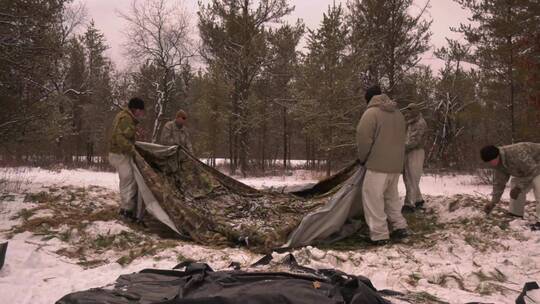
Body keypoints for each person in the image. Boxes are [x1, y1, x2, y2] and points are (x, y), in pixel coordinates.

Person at [356, 85, 408, 245]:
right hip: (395, 165)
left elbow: (363, 139)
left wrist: (363, 158)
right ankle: (400, 227)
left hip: (377, 165)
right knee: (391, 197)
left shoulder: (371, 113)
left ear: (369, 98)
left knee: (373, 199)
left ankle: (379, 235)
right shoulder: (398, 114)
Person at [481, 142, 540, 230]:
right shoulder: (498, 165)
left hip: (537, 167)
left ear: (497, 155)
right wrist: (493, 203)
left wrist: (519, 187)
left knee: (538, 184)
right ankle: (515, 214)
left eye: (492, 161)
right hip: (530, 171)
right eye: (489, 162)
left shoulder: (517, 153)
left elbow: (534, 170)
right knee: (515, 183)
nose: (491, 164)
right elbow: (499, 184)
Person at [108, 97, 145, 220]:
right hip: (120, 154)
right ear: (135, 109)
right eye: (141, 110)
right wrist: (133, 150)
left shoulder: (125, 117)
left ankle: (127, 209)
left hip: (120, 153)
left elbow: (125, 134)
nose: (142, 114)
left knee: (128, 180)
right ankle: (126, 211)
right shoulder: (126, 119)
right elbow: (121, 138)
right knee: (128, 180)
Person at [401, 103, 428, 213]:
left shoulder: (420, 123)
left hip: (416, 152)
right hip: (409, 151)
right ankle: (418, 200)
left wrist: (401, 148)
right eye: (408, 110)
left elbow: (415, 141)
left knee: (411, 178)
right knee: (409, 176)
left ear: (416, 111)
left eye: (411, 110)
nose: (408, 112)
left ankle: (409, 204)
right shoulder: (410, 123)